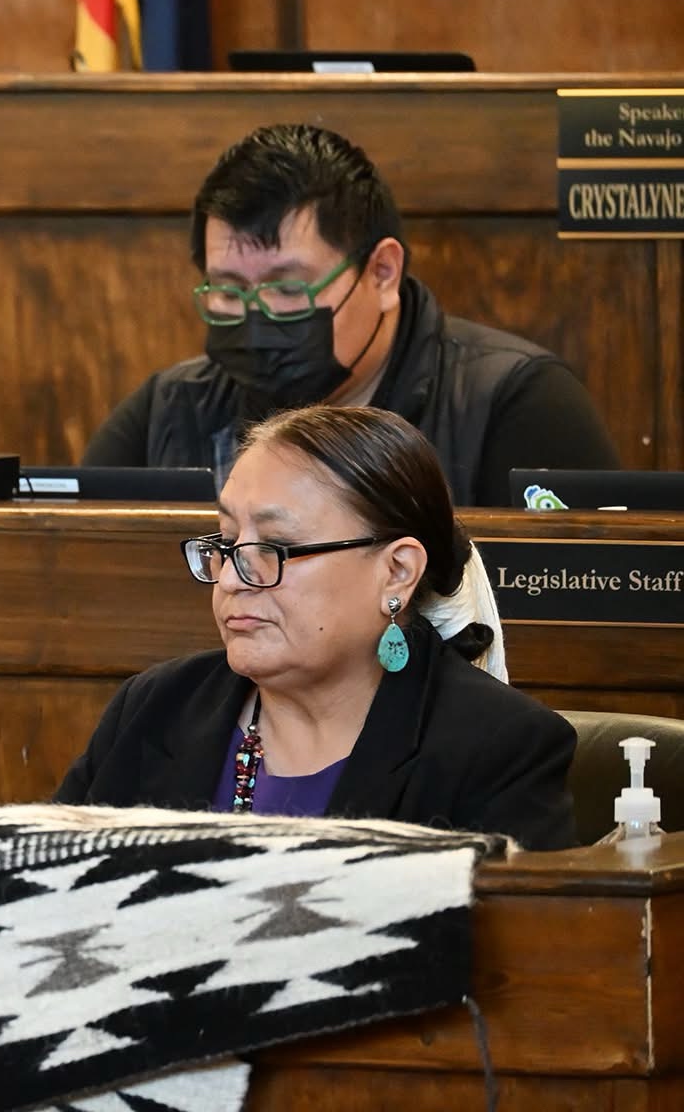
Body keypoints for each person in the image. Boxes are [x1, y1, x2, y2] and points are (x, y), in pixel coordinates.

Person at [57, 405, 577, 849]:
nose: (232, 579)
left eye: (276, 548)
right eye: (228, 542)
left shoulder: (498, 748)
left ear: (397, 571)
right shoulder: (153, 708)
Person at [82, 123, 617, 507]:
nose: (255, 319)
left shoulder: (516, 404)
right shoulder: (169, 412)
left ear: (382, 272)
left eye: (287, 288)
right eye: (228, 290)